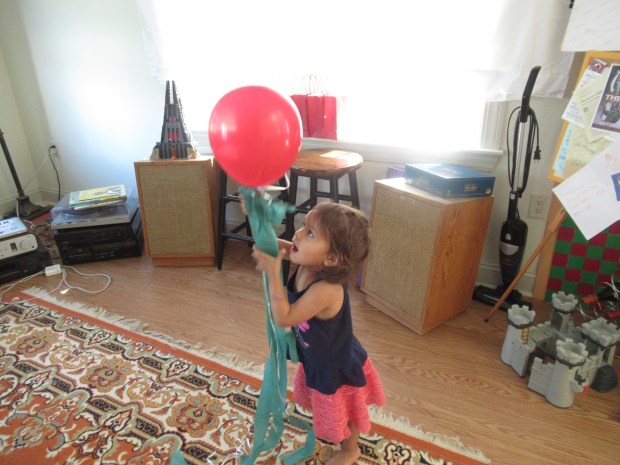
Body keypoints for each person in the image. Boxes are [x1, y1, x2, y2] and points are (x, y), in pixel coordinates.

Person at [250, 201, 386, 465]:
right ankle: (346, 443)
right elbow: (281, 247)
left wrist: (273, 273)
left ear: (331, 259)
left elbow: (285, 316)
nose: (298, 234)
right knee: (336, 408)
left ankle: (350, 450)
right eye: (304, 226)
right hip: (317, 355)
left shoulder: (327, 290)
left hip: (334, 365)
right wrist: (263, 230)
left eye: (310, 233)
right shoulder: (310, 261)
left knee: (344, 409)